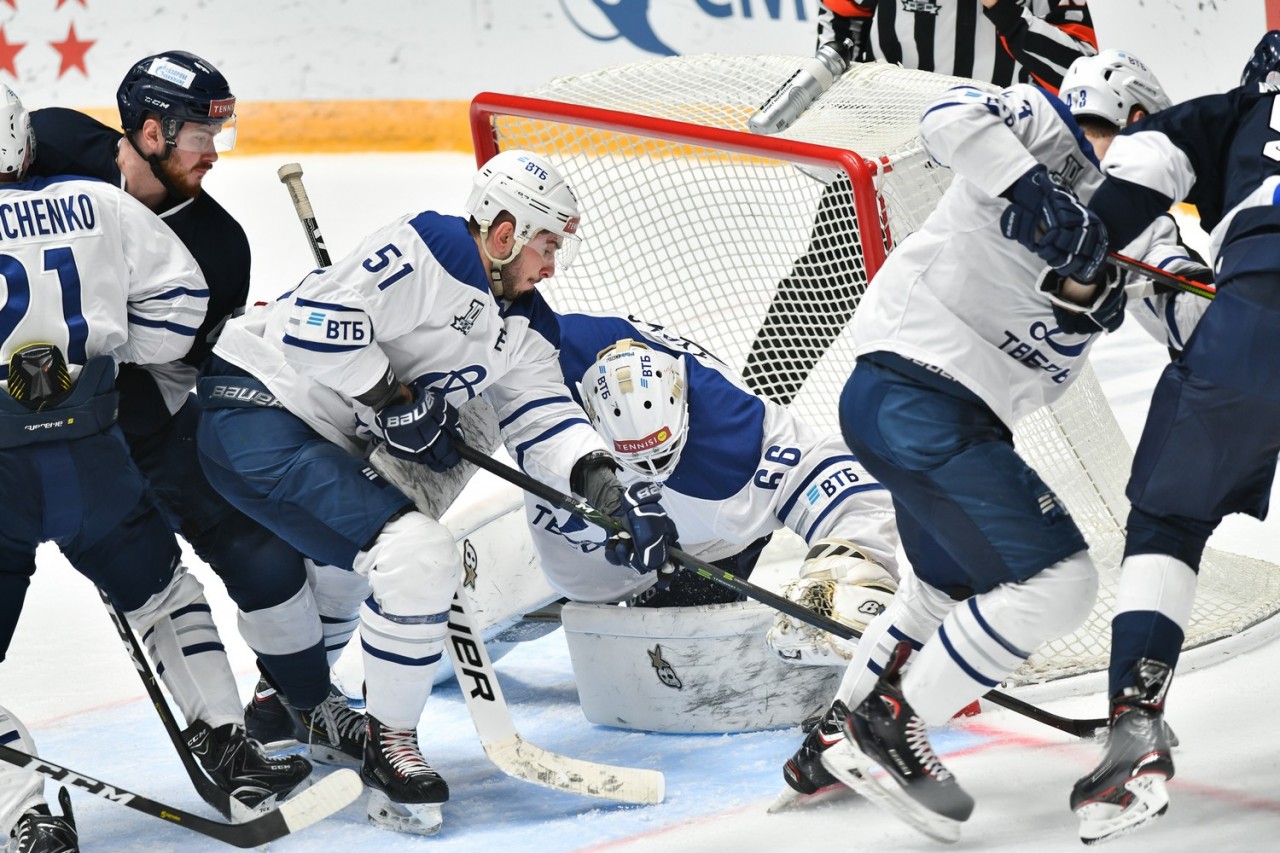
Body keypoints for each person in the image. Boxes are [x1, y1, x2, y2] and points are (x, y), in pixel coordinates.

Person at [774, 51, 1200, 843]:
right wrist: (1033, 190)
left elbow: (1189, 326)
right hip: (917, 392)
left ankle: (830, 739)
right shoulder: (1039, 126)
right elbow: (946, 120)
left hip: (929, 416)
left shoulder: (1146, 223)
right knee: (1060, 581)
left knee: (935, 592)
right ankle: (886, 726)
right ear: (1134, 119)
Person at [194, 149, 680, 835]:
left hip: (326, 439)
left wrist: (605, 484)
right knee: (416, 551)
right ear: (504, 232)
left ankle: (286, 699)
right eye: (546, 245)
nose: (551, 264)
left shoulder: (529, 327)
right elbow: (309, 325)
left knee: (376, 545)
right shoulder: (434, 245)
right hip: (258, 409)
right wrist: (392, 396)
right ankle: (388, 744)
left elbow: (544, 418)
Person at [27, 50, 367, 767]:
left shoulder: (218, 244)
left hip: (141, 425)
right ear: (151, 133)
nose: (214, 154)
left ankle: (305, 703)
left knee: (268, 562)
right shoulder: (48, 142)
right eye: (198, 136)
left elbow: (194, 371)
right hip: (14, 426)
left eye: (220, 135)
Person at [0, 84, 309, 852]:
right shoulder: (96, 203)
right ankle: (230, 743)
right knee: (166, 595)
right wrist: (104, 355)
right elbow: (178, 304)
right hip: (94, 459)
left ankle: (23, 814)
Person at [1068, 31, 1280, 844]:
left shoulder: (1232, 115)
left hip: (1257, 311)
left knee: (1169, 520)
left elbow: (1128, 184)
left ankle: (1135, 728)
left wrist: (1077, 262)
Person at [742, 0, 1100, 406]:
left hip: (988, 166)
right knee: (820, 290)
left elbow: (1079, 73)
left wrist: (1007, 12)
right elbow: (842, 17)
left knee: (976, 327)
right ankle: (753, 417)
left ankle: (945, 447)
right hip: (884, 148)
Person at [528, 311, 900, 661]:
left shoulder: (734, 432)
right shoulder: (541, 354)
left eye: (662, 453)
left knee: (679, 657)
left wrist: (854, 565)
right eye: (637, 461)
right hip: (571, 549)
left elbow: (831, 476)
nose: (653, 468)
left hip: (704, 542)